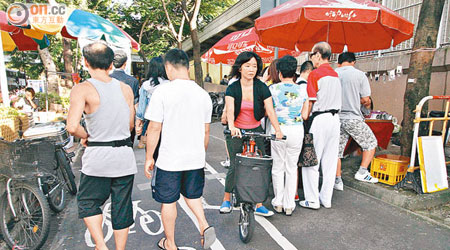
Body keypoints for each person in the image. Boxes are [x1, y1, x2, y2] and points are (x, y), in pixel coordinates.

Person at [67, 42, 137, 250]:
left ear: (86, 62)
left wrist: (86, 135)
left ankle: (101, 245)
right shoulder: (126, 89)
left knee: (88, 202)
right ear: (110, 64)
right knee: (122, 207)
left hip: (98, 157)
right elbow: (130, 125)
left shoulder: (82, 89)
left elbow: (72, 126)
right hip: (124, 156)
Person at [144, 49, 216, 250]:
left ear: (168, 67)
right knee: (192, 196)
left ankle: (171, 244)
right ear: (187, 66)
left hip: (169, 160)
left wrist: (149, 156)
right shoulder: (203, 95)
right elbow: (206, 131)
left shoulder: (163, 91)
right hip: (195, 158)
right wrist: (199, 155)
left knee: (168, 201)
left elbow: (154, 128)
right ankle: (204, 225)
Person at [219, 51, 283, 216]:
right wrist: (232, 126)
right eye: (247, 66)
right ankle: (226, 199)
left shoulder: (262, 87)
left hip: (255, 129)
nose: (251, 69)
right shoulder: (233, 87)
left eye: (254, 66)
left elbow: (270, 109)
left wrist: (277, 130)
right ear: (240, 68)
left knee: (259, 166)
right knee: (235, 165)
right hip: (237, 129)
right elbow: (231, 110)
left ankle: (259, 203)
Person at [300, 41, 342, 210]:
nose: (312, 59)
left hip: (320, 119)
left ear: (317, 55)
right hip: (335, 120)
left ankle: (312, 200)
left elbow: (311, 101)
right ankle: (326, 198)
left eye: (312, 56)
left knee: (312, 159)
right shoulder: (336, 75)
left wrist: (304, 116)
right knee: (330, 161)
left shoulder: (315, 74)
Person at [269, 55, 309, 216]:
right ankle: (289, 204)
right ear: (294, 73)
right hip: (297, 130)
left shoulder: (273, 89)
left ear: (279, 73)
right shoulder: (302, 90)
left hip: (278, 129)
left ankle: (278, 202)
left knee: (278, 166)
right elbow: (305, 115)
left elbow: (268, 111)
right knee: (292, 167)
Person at [334, 52, 378, 191]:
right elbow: (365, 99)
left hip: (335, 118)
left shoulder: (333, 74)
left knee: (337, 151)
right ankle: (362, 172)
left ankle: (337, 180)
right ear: (353, 62)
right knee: (371, 143)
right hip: (352, 117)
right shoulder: (359, 75)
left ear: (339, 63)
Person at [135, 56, 168, 149]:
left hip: (151, 122)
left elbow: (142, 108)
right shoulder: (169, 84)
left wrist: (138, 123)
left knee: (152, 151)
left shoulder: (146, 85)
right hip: (168, 123)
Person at [294, 60, 314, 202]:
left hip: (293, 125)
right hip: (301, 125)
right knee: (297, 160)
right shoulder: (304, 87)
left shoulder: (296, 85)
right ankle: (295, 191)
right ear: (308, 72)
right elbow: (305, 113)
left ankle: (292, 191)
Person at [110, 50, 140, 144]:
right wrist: (138, 121)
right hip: (127, 119)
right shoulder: (133, 81)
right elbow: (136, 103)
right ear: (125, 63)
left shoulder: (107, 79)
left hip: (110, 119)